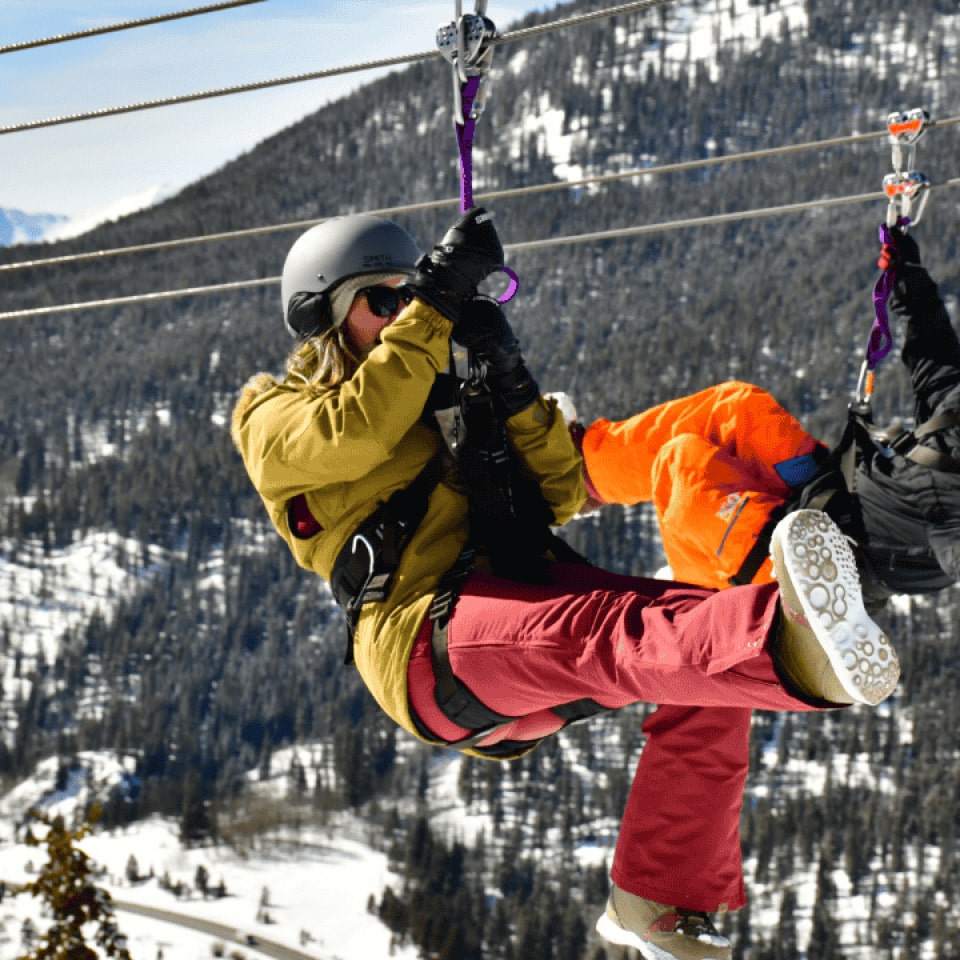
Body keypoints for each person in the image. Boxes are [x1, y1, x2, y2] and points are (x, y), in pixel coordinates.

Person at [231, 207, 900, 960]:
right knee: (619, 637)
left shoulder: (440, 387)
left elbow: (555, 490)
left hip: (514, 603)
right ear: (323, 317)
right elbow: (354, 430)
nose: (402, 317)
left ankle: (656, 897)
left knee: (698, 646)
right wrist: (436, 308)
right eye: (383, 302)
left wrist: (511, 383)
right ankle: (790, 642)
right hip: (425, 640)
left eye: (408, 295)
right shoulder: (272, 415)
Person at [574, 223, 953, 953]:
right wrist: (902, 269)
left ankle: (789, 605)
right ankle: (581, 469)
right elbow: (930, 344)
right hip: (823, 497)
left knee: (685, 471)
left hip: (825, 558)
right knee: (735, 407)